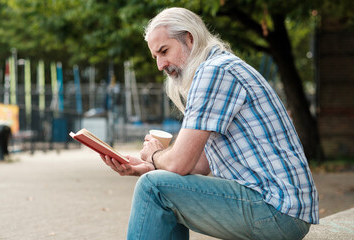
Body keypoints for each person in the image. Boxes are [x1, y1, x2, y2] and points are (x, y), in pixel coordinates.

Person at [101, 7, 319, 240]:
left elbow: (180, 164)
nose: (160, 65)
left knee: (152, 188)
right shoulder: (220, 68)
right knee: (156, 183)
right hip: (285, 210)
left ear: (189, 39)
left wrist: (154, 156)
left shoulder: (214, 72)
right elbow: (198, 166)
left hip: (276, 209)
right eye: (156, 57)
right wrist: (143, 168)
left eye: (164, 51)